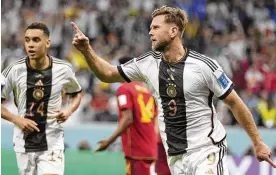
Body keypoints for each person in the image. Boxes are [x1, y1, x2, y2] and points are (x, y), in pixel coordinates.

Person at [71, 5, 276, 174]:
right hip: (175, 157)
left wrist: (257, 142)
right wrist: (87, 50)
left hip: (206, 151)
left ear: (173, 31)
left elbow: (235, 103)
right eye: (150, 27)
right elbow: (107, 73)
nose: (150, 32)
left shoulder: (205, 66)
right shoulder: (148, 63)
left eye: (156, 27)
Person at [1, 22, 82, 175]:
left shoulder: (63, 69)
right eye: (27, 40)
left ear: (48, 43)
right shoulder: (14, 70)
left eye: (36, 40)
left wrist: (69, 110)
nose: (30, 45)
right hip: (23, 141)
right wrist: (17, 119)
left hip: (52, 140)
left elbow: (76, 93)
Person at [94, 57, 158, 175]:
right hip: (151, 149)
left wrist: (109, 141)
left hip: (136, 151)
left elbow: (128, 118)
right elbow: (155, 120)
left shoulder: (124, 89)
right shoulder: (146, 91)